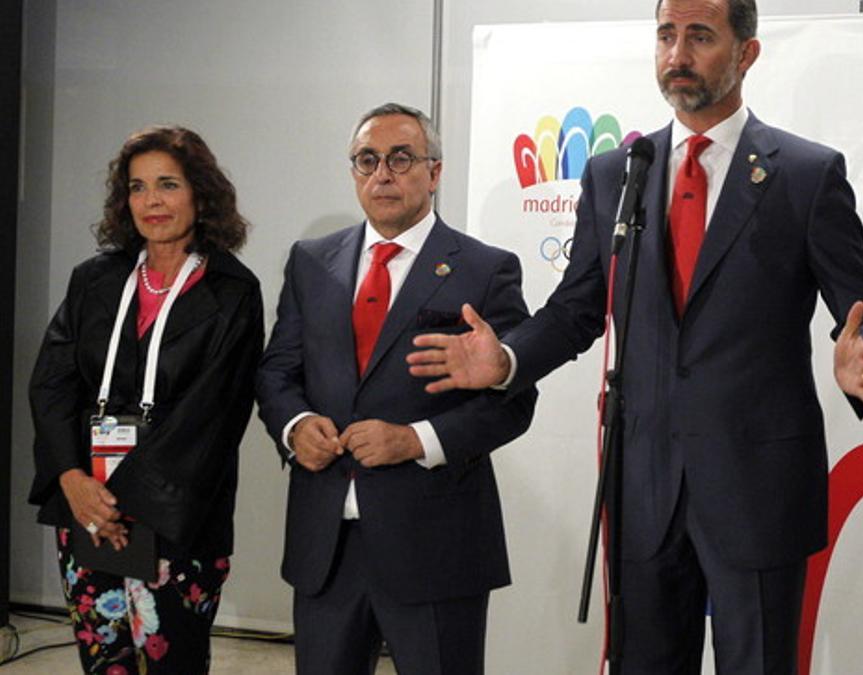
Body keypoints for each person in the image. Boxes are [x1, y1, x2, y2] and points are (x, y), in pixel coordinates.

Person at [407, 1, 863, 672]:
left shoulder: (803, 175)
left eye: (699, 36)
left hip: (756, 487)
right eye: (667, 35)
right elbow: (580, 306)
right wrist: (509, 359)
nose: (677, 54)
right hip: (643, 486)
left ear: (746, 53)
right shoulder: (618, 174)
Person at [255, 103, 535, 675]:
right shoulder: (311, 262)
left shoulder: (485, 269)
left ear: (434, 172)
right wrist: (294, 427)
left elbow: (512, 402)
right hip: (326, 545)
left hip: (435, 544)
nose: (382, 173)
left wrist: (415, 440)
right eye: (366, 160)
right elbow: (277, 373)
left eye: (401, 158)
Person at [28, 125, 263, 673]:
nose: (151, 201)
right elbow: (53, 382)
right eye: (137, 187)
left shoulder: (232, 290)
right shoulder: (95, 280)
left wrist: (119, 504)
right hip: (84, 507)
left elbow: (213, 417)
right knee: (103, 661)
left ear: (200, 194)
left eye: (168, 185)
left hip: (176, 519)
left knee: (171, 663)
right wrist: (71, 478)